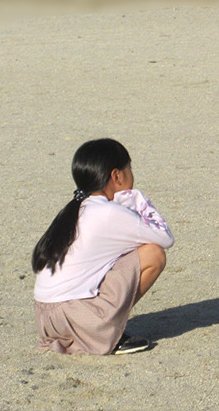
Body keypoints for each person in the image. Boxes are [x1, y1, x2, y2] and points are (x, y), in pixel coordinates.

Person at [32, 139, 174, 354]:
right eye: (129, 168)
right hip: (74, 316)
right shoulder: (109, 212)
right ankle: (107, 333)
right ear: (117, 176)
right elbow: (164, 237)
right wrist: (137, 200)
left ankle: (97, 329)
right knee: (153, 254)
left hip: (46, 319)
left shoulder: (73, 210)